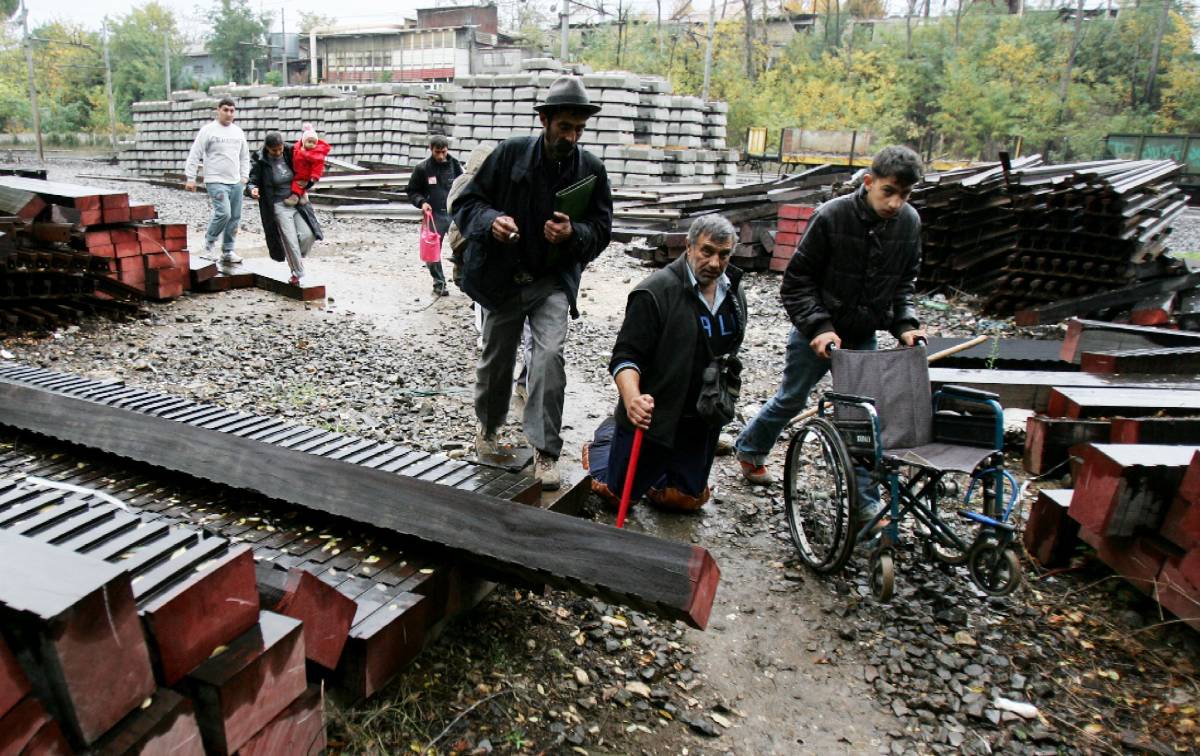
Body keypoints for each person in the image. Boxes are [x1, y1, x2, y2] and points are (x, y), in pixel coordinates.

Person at [735, 145, 927, 516]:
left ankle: (864, 504)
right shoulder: (831, 216)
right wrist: (819, 328)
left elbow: (905, 283)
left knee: (862, 415)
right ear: (869, 182)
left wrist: (906, 325)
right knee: (792, 398)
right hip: (817, 332)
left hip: (862, 333)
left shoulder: (909, 224)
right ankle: (751, 448)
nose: (895, 203)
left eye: (904, 195)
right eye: (888, 192)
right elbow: (796, 282)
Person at [453, 75, 614, 490]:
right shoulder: (508, 155)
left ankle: (545, 452)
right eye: (565, 127)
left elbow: (601, 229)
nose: (573, 136)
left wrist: (573, 233)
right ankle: (488, 429)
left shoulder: (591, 170)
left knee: (548, 359)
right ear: (544, 120)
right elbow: (467, 203)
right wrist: (492, 223)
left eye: (579, 129)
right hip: (504, 278)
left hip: (552, 281)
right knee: (497, 357)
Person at [583, 215, 746, 513]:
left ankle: (665, 468)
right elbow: (625, 356)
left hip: (700, 417)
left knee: (684, 499)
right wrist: (632, 399)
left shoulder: (733, 291)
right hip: (655, 416)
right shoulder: (654, 292)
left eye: (724, 254)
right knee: (618, 497)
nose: (715, 263)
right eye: (707, 251)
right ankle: (607, 439)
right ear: (688, 246)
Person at [247, 132, 324, 286]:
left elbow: (309, 162)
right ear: (267, 149)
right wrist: (252, 189)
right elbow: (252, 180)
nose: (278, 153)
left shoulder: (291, 151)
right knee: (290, 240)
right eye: (274, 150)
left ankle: (295, 258)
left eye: (280, 149)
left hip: (297, 200)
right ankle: (297, 273)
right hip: (277, 205)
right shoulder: (260, 160)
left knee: (308, 235)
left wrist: (308, 181)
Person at [184, 97, 250, 266]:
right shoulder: (208, 130)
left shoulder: (238, 132)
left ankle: (228, 250)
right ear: (218, 110)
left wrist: (244, 177)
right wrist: (190, 177)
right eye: (225, 110)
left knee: (234, 216)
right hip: (215, 180)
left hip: (235, 181)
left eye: (232, 110)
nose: (229, 113)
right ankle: (209, 244)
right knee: (224, 213)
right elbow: (195, 153)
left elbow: (244, 156)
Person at [407, 136, 464, 296]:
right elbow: (412, 191)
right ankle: (439, 283)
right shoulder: (422, 168)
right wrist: (422, 202)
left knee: (463, 247)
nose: (440, 156)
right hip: (434, 215)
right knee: (432, 251)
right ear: (430, 149)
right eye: (437, 152)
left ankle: (462, 280)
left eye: (443, 152)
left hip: (454, 215)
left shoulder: (455, 165)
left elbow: (464, 185)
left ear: (447, 150)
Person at [285, 123, 330, 207]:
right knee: (296, 184)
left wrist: (314, 176)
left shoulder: (316, 154)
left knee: (297, 185)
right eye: (309, 142)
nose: (311, 144)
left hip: (306, 175)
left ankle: (294, 197)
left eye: (314, 143)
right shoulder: (296, 149)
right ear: (303, 141)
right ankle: (302, 196)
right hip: (297, 172)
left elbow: (318, 166)